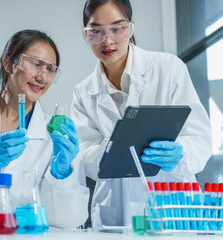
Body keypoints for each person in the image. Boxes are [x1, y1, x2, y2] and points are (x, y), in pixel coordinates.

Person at [71, 0, 212, 228]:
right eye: (96, 31)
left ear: (131, 27)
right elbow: (84, 156)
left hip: (172, 203)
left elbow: (199, 137)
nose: (107, 41)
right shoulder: (83, 93)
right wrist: (116, 149)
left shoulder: (169, 69)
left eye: (117, 29)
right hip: (116, 211)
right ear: (86, 34)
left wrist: (180, 154)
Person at [0, 29, 89, 230]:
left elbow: (71, 220)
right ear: (8, 63)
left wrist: (61, 174)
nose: (42, 77)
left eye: (50, 69)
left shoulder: (57, 135)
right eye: (35, 64)